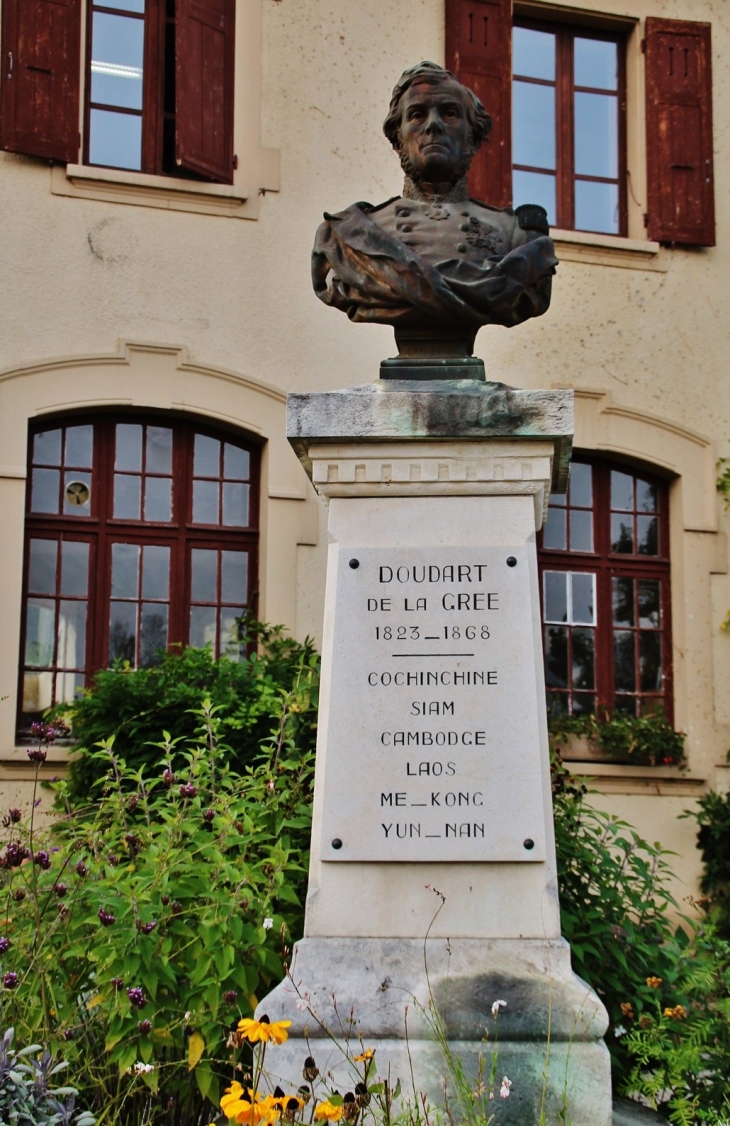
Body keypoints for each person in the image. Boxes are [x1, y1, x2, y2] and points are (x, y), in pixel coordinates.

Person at [312, 61, 558, 350]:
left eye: (450, 113)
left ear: (473, 136)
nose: (433, 125)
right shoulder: (346, 236)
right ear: (397, 137)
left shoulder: (515, 235)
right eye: (417, 115)